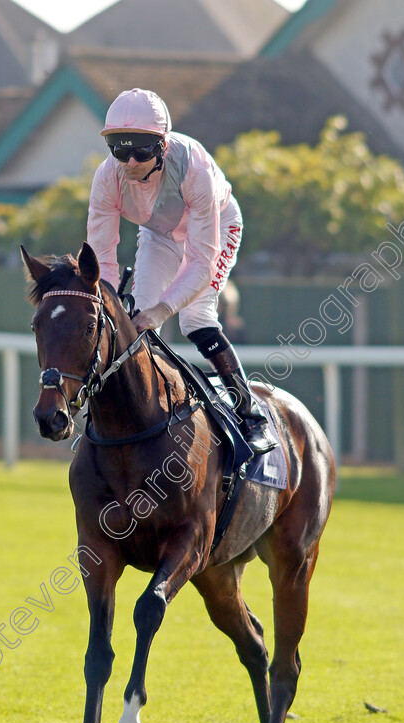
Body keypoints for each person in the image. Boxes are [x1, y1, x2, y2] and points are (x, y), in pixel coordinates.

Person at [87, 87, 277, 454]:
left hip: (216, 227)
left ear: (162, 144)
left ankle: (250, 413)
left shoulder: (195, 168)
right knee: (135, 321)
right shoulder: (106, 178)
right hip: (159, 234)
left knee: (194, 317)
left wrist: (164, 309)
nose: (129, 162)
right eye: (119, 149)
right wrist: (111, 305)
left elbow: (201, 262)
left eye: (140, 149)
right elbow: (102, 260)